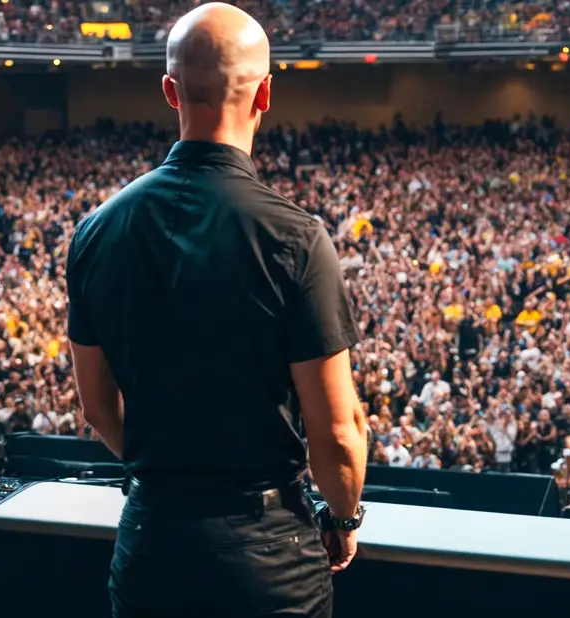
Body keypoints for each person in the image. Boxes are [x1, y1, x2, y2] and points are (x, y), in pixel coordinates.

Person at [66, 5, 367, 617]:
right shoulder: (298, 238)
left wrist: (169, 474)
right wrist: (342, 516)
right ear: (264, 95)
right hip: (269, 558)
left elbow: (97, 407)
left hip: (150, 544)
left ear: (169, 90)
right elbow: (337, 434)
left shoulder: (97, 231)